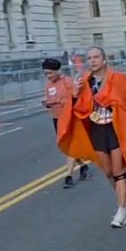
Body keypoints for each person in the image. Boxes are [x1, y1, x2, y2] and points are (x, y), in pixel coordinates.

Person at [57, 46, 126, 228]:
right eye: (89, 58)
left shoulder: (118, 79)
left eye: (96, 57)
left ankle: (121, 209)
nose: (92, 60)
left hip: (116, 128)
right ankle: (123, 195)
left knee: (118, 171)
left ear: (104, 59)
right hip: (96, 128)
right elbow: (79, 107)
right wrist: (76, 94)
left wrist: (112, 102)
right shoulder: (85, 80)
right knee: (107, 171)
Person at [41, 57, 89, 189]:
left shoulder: (67, 82)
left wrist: (59, 101)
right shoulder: (48, 85)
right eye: (46, 74)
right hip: (57, 118)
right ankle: (83, 166)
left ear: (57, 71)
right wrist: (47, 103)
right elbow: (50, 100)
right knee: (66, 147)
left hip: (69, 117)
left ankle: (68, 176)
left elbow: (74, 99)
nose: (48, 76)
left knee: (70, 147)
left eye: (50, 73)